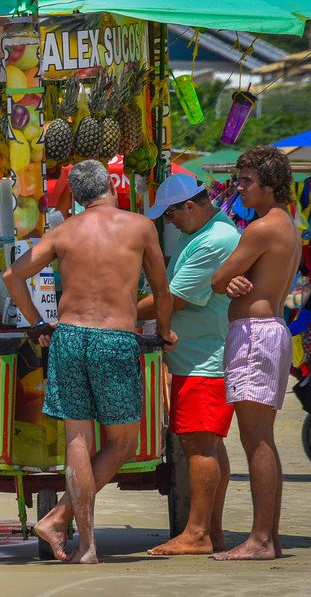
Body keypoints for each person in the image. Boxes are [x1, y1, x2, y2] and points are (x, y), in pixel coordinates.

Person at [2, 159, 175, 564]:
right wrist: (164, 332)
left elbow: (13, 276)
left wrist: (37, 323)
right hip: (114, 339)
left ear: (77, 197)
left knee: (80, 440)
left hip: (69, 336)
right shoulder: (139, 226)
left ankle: (87, 544)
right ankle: (62, 521)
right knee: (124, 442)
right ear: (109, 187)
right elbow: (163, 292)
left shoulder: (63, 231)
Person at [137, 174, 240, 556]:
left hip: (205, 358)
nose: (170, 222)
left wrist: (116, 312)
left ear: (190, 207)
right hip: (196, 356)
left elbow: (175, 298)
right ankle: (210, 529)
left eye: (171, 215)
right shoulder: (198, 232)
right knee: (207, 443)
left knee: (199, 443)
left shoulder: (214, 239)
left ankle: (197, 533)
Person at [209, 146, 300, 561]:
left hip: (255, 336)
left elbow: (218, 278)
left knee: (256, 439)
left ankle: (262, 539)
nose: (239, 187)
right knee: (259, 437)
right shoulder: (287, 224)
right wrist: (234, 282)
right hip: (269, 330)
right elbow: (236, 280)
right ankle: (268, 537)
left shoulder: (262, 228)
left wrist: (229, 280)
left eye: (246, 181)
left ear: (269, 184)